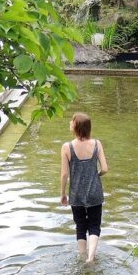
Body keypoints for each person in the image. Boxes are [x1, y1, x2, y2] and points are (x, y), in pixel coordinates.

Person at [60, 112, 108, 263]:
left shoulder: (67, 147)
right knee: (94, 225)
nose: (70, 123)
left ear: (76, 126)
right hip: (95, 192)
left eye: (72, 121)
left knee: (80, 226)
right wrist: (96, 176)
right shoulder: (97, 144)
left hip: (76, 193)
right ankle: (91, 257)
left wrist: (63, 194)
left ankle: (82, 256)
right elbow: (105, 169)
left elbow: (64, 175)